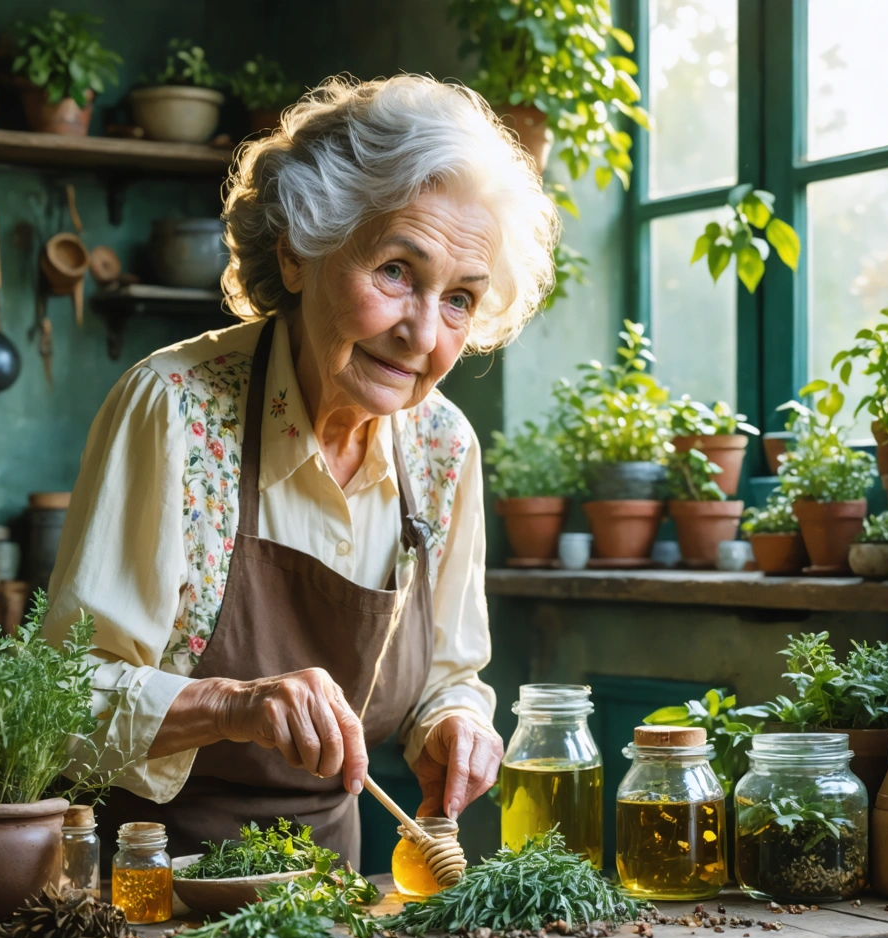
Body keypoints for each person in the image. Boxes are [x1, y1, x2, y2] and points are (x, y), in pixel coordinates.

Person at [44, 74, 559, 866]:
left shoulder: (444, 447)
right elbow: (62, 702)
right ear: (296, 253)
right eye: (395, 271)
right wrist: (233, 705)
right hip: (146, 888)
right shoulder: (175, 409)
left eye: (459, 298)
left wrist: (455, 724)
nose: (423, 333)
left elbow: (450, 675)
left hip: (327, 895)